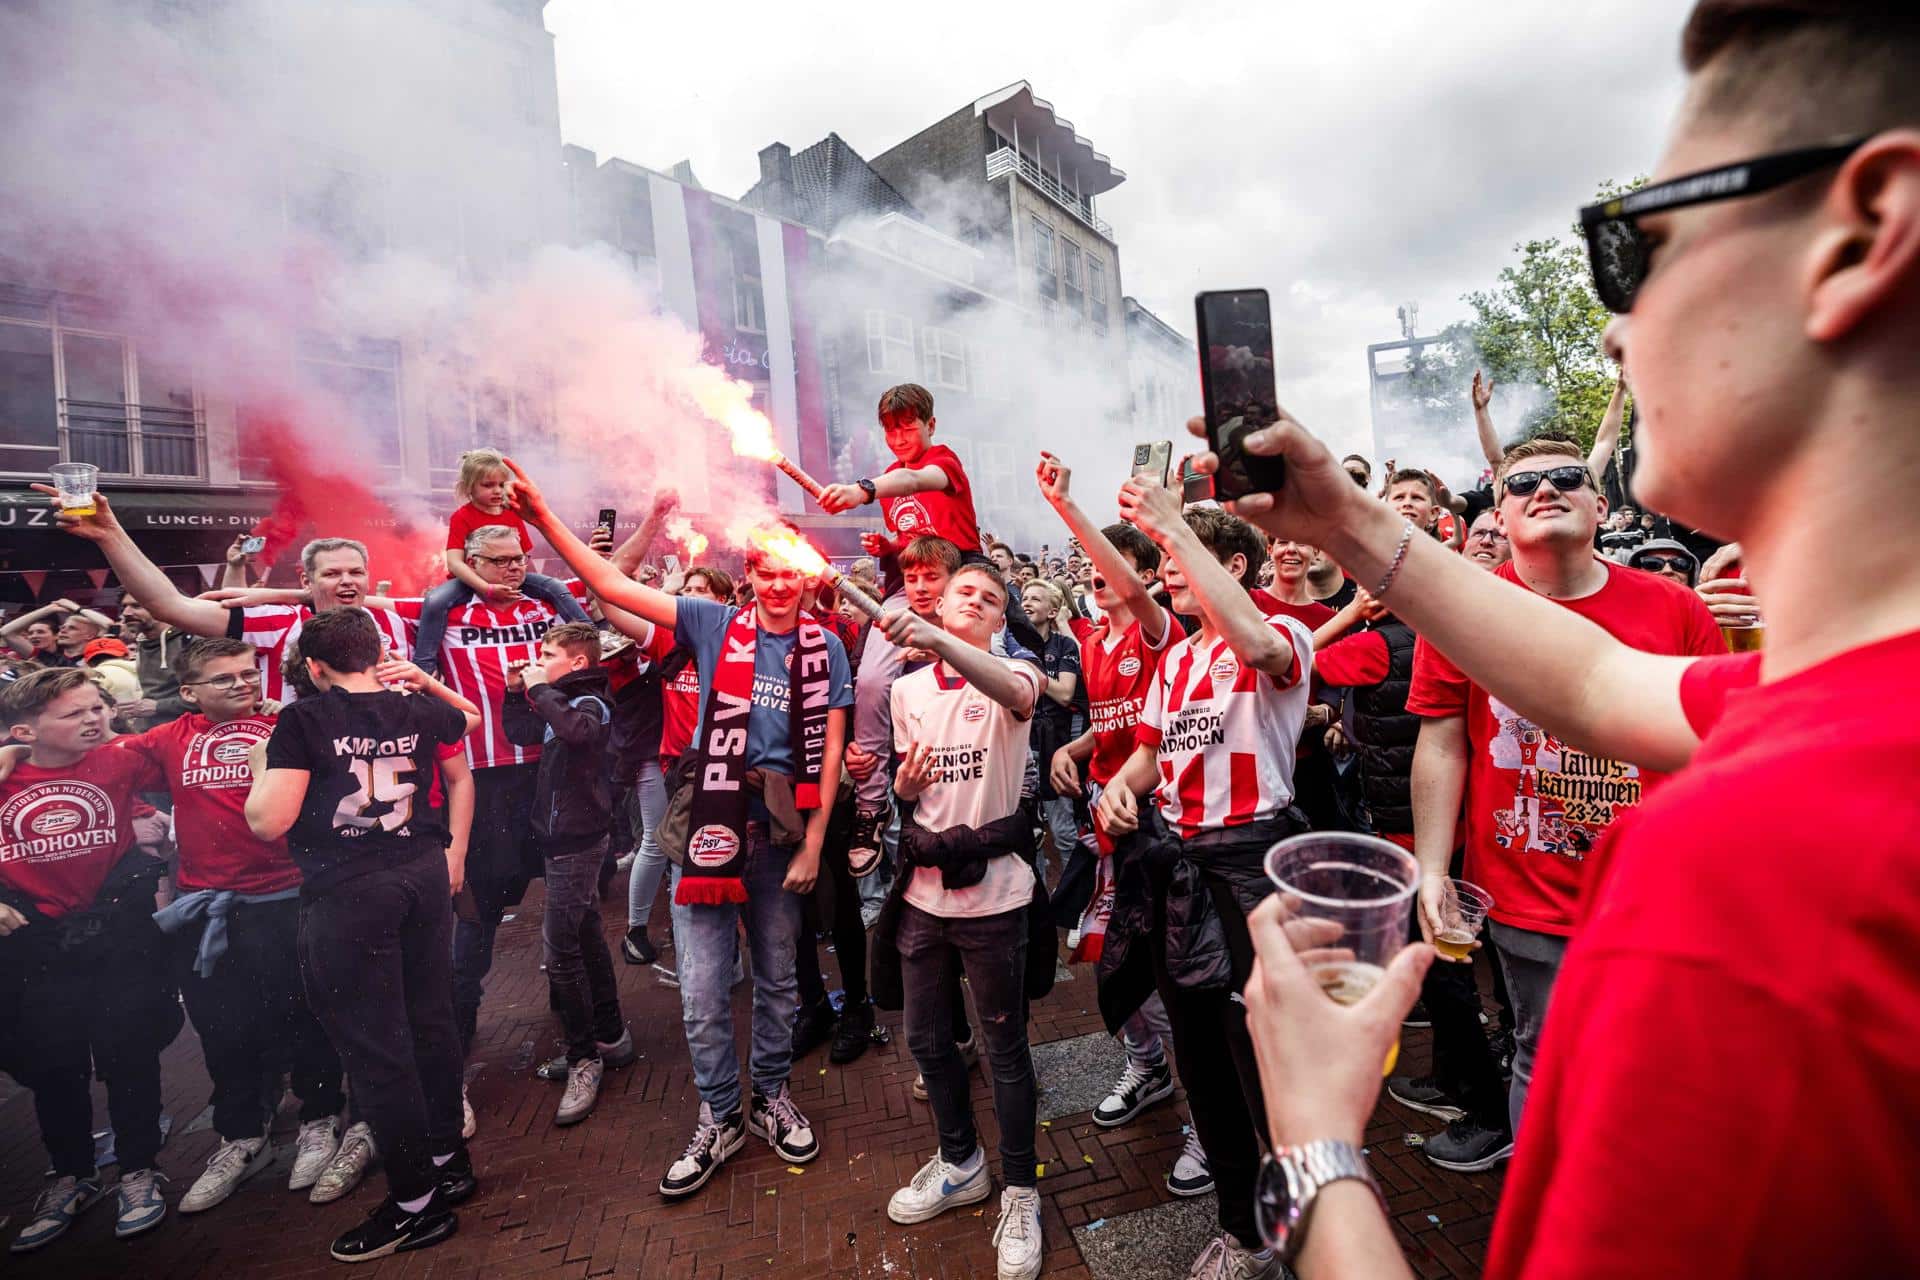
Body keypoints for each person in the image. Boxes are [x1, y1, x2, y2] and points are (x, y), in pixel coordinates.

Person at [1219, 10, 1920, 1273]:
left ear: (1862, 234)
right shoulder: (1857, 709)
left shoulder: (1748, 882)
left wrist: (1317, 1139)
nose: (1611, 329)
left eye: (1635, 248)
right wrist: (1347, 517)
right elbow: (1601, 678)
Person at [502, 460, 852, 1201]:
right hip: (705, 826)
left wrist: (817, 844)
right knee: (698, 992)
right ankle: (721, 1114)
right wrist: (539, 517)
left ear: (806, 578)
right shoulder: (712, 621)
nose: (779, 583)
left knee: (781, 983)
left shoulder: (828, 646)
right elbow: (609, 588)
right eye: (765, 570)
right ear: (750, 575)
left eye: (790, 572)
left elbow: (830, 746)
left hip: (782, 837)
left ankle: (770, 1097)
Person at [1407, 439, 1724, 1163]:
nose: (1543, 490)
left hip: (1651, 893)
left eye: (1565, 478)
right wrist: (1431, 870)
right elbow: (1444, 742)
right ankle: (1546, 1207)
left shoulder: (1673, 609)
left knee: (1656, 1062)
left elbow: (1711, 748)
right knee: (1541, 1052)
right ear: (1499, 511)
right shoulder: (1463, 611)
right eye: (1521, 484)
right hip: (1526, 890)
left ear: (1600, 503)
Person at [1094, 486, 1314, 1280]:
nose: (1167, 573)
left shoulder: (1281, 631)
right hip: (1179, 870)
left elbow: (1259, 649)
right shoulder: (1175, 662)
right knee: (1205, 1070)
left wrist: (1176, 522)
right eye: (1164, 561)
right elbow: (1150, 759)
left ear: (1233, 566)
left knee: (1271, 1072)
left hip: (1254, 875)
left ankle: (1310, 1238)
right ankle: (1242, 1229)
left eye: (1183, 559)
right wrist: (1124, 787)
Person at [244, 607, 480, 1263]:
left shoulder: (303, 719)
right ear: (377, 654)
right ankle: (446, 1160)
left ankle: (415, 1205)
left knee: (376, 1048)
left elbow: (269, 821)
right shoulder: (415, 707)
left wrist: (265, 761)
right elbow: (469, 721)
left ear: (314, 667)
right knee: (430, 1023)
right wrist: (423, 683)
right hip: (421, 875)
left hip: (351, 893)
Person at [102, 638, 346, 1213]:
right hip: (207, 907)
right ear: (189, 693)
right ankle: (241, 1138)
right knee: (223, 1030)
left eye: (246, 674)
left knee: (304, 1016)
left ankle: (319, 1120)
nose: (241, 684)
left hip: (289, 897)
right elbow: (98, 772)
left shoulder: (291, 723)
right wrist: (141, 815)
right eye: (223, 679)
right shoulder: (169, 738)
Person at [1035, 456, 1211, 1199]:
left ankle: (1210, 1119)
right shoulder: (1087, 639)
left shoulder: (1152, 633)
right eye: (1089, 563)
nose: (1095, 573)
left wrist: (1070, 508)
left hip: (1162, 826)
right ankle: (1148, 1067)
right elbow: (1116, 730)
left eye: (1110, 562)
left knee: (1176, 974)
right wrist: (1075, 749)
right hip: (1105, 821)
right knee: (1104, 959)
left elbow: (1138, 590)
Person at [872, 564, 1047, 1280]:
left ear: (1001, 618)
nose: (975, 602)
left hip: (996, 900)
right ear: (937, 604)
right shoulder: (906, 689)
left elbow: (1012, 693)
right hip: (922, 897)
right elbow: (910, 790)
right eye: (963, 593)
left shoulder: (1014, 673)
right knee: (924, 1038)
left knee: (1006, 1050)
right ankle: (959, 1161)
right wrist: (902, 790)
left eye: (991, 598)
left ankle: (1020, 1192)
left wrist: (945, 646)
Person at [386, 524, 590, 1132]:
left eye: (519, 559)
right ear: (468, 561)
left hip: (549, 773)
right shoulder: (439, 605)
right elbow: (353, 600)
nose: (511, 570)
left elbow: (612, 578)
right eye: (497, 561)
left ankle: (583, 1038)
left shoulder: (547, 600)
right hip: (482, 779)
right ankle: (457, 1035)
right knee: (473, 913)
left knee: (569, 911)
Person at [0, 669, 183, 1252]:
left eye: (96, 707)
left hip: (115, 930)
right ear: (24, 730)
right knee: (54, 1066)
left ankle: (137, 1169)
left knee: (129, 1052)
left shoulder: (122, 759)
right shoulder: (6, 775)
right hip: (35, 942)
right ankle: (72, 1175)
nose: (92, 719)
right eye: (73, 714)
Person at [36, 491, 411, 703]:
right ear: (307, 579)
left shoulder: (396, 622)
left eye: (355, 572)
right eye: (331, 573)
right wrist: (110, 534)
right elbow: (169, 605)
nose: (347, 580)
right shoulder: (280, 621)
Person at [502, 622, 634, 1126]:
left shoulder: (590, 704)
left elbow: (581, 735)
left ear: (578, 662)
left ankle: (585, 1058)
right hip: (562, 841)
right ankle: (611, 1037)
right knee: (586, 938)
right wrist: (520, 696)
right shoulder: (560, 702)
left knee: (561, 953)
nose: (539, 660)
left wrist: (537, 688)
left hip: (579, 844)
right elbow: (520, 733)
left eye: (548, 654)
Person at [817, 383, 1045, 655]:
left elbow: (912, 479)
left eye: (909, 428)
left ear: (931, 425)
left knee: (1011, 637)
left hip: (961, 567)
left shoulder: (943, 460)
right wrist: (889, 547)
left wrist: (862, 490)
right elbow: (909, 536)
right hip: (914, 577)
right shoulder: (889, 476)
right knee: (872, 672)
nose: (899, 439)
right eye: (891, 430)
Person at [409, 448, 590, 677]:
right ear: (469, 487)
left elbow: (523, 560)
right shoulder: (461, 517)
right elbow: (455, 563)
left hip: (511, 582)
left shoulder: (514, 513)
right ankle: (424, 666)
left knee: (555, 587)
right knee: (435, 600)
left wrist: (531, 587)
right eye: (488, 485)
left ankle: (594, 638)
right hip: (470, 584)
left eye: (502, 484)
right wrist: (486, 588)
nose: (497, 490)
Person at [1019, 577, 1082, 887]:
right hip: (1021, 746)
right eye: (1024, 597)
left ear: (1054, 610)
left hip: (1055, 748)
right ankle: (1038, 903)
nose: (1027, 602)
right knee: (1027, 836)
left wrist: (1029, 673)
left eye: (1035, 598)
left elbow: (1066, 694)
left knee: (1064, 832)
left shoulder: (1065, 645)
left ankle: (1075, 907)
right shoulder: (1013, 644)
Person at [1472, 367, 1626, 483]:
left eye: (1563, 474)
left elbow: (1605, 442)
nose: (1547, 491)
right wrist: (1481, 411)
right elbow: (1496, 460)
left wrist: (1620, 389)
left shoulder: (1580, 482)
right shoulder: (1523, 487)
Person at [119, 601, 187, 731]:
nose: (126, 613)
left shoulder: (191, 641)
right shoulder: (142, 643)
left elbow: (215, 697)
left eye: (137, 605)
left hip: (189, 736)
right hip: (151, 736)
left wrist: (159, 706)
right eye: (124, 607)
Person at [2, 600, 114, 667]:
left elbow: (111, 626)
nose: (63, 630)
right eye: (63, 627)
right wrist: (50, 609)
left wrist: (77, 608)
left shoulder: (100, 655)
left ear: (89, 635)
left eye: (72, 628)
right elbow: (6, 632)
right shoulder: (47, 657)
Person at [1626, 538, 1700, 587]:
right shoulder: (1621, 609)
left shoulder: (1704, 609)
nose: (1667, 570)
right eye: (1653, 564)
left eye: (1680, 564)